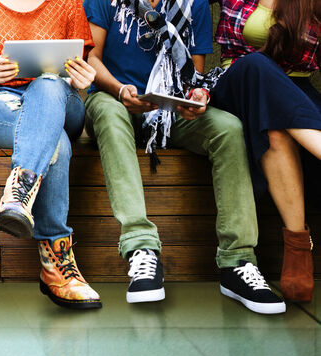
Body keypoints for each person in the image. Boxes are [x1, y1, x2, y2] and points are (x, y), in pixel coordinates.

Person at [84, 0, 285, 313]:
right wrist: (120, 89)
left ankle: (238, 261)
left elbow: (194, 75)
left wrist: (196, 97)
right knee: (110, 116)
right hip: (114, 99)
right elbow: (91, 58)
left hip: (168, 109)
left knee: (229, 129)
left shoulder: (194, 4)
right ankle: (142, 249)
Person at [0, 0, 101, 310]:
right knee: (57, 143)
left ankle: (18, 194)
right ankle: (57, 266)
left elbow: (81, 63)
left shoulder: (68, 3)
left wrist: (81, 79)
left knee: (48, 83)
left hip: (60, 98)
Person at [211, 0, 321, 302]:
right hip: (237, 86)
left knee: (275, 127)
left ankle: (298, 245)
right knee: (257, 65)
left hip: (296, 93)